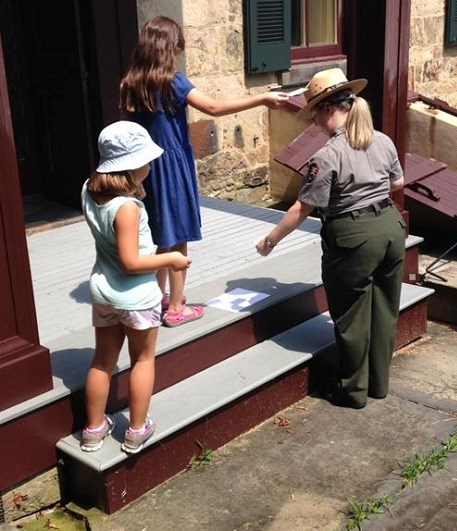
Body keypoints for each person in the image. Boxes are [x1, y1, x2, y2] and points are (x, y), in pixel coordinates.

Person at [119, 16, 288, 327]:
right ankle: (176, 308)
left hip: (145, 169)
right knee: (179, 235)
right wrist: (262, 98)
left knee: (157, 235)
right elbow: (212, 107)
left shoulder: (132, 84)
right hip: (173, 167)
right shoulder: (175, 82)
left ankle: (153, 302)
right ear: (169, 49)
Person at [256, 68, 406, 409]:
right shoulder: (382, 140)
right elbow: (397, 183)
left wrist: (270, 241)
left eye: (315, 115)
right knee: (384, 310)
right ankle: (378, 384)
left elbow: (301, 209)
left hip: (355, 238)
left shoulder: (326, 156)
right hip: (391, 229)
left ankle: (353, 391)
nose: (315, 124)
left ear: (327, 109)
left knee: (352, 315)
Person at [80, 121, 192, 454]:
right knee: (142, 359)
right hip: (136, 297)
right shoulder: (127, 208)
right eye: (145, 160)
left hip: (103, 290)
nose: (150, 165)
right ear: (131, 166)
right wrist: (171, 259)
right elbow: (131, 261)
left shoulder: (89, 189)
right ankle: (136, 430)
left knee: (102, 362)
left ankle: (93, 429)